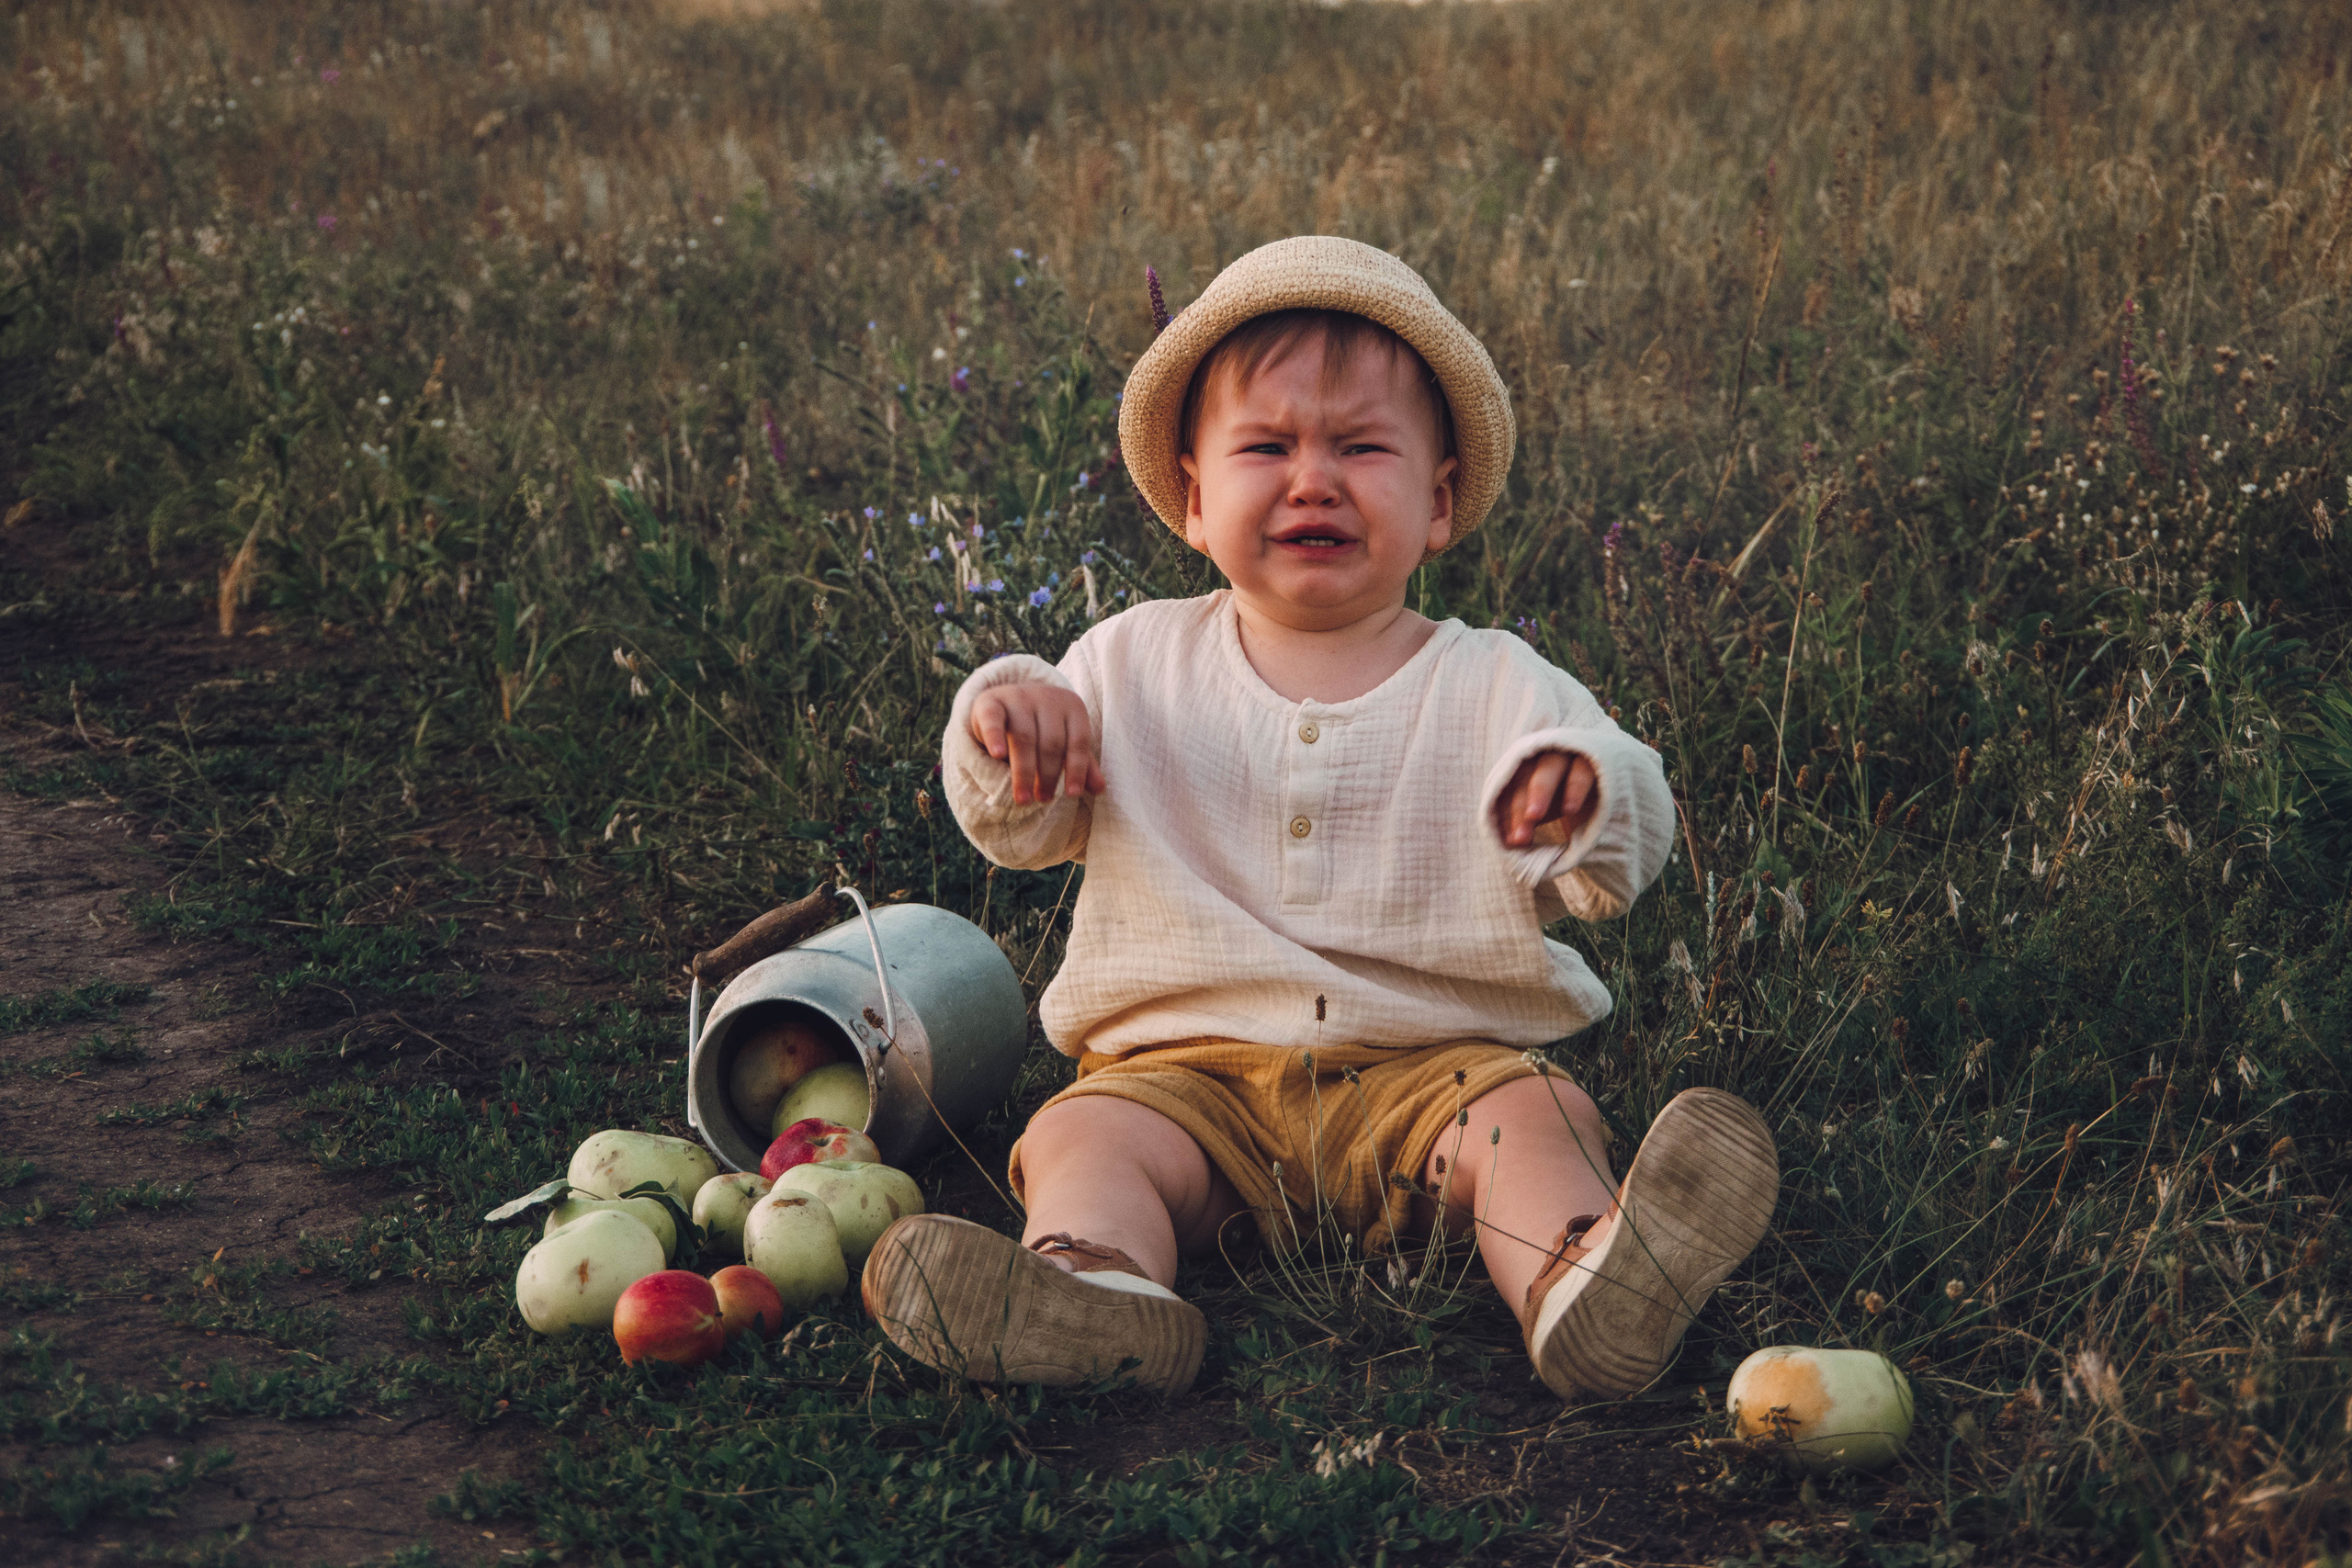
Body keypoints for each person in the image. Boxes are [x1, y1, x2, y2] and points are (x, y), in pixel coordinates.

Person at [863, 236, 1778, 1401]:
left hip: (1436, 1065)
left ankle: (1586, 1278)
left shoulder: (1498, 683)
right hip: (1177, 1075)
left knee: (1535, 1123)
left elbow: (1617, 852)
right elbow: (1015, 829)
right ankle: (1094, 1291)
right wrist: (1006, 724)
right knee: (1083, 1140)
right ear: (1194, 500)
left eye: (1360, 447)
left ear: (1437, 503)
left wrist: (1586, 797)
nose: (1313, 479)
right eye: (1266, 446)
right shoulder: (1126, 663)